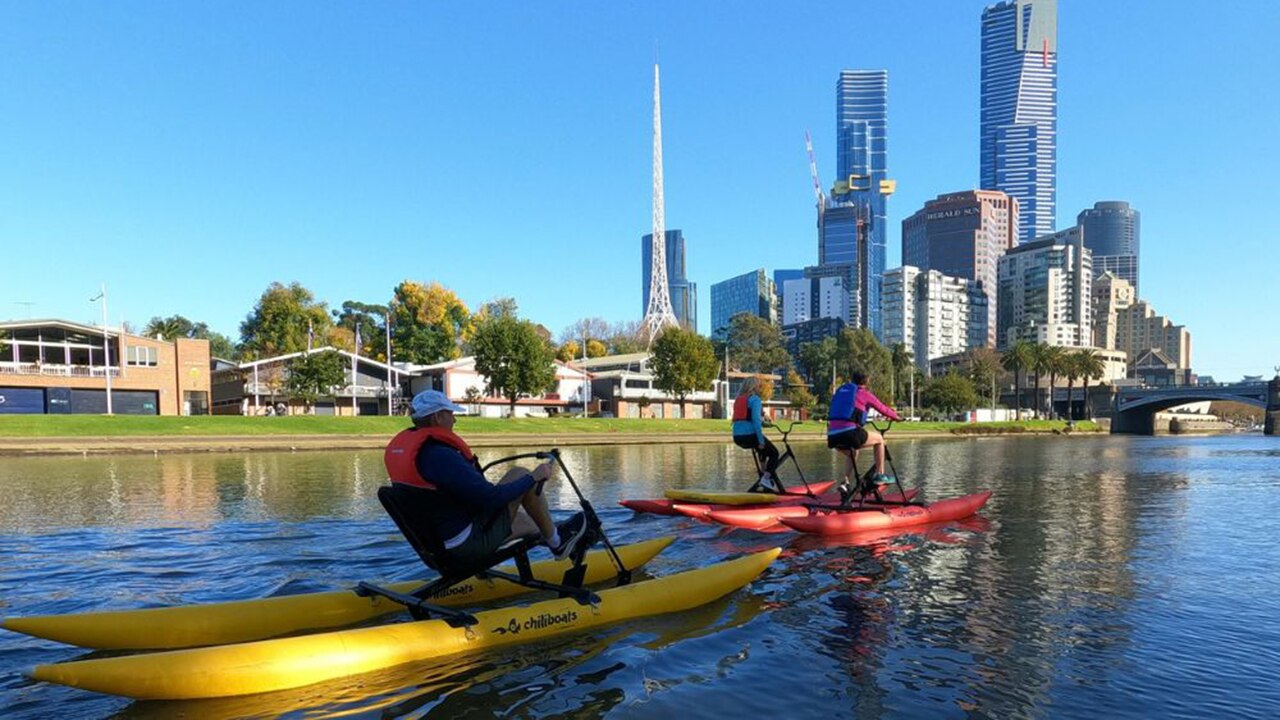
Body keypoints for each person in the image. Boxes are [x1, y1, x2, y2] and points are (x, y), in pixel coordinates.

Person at [384, 390, 587, 565]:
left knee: (529, 523)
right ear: (437, 417)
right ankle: (558, 545)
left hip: (437, 547)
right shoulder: (441, 456)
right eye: (451, 414)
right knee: (521, 474)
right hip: (464, 547)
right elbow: (491, 498)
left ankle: (555, 537)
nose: (454, 419)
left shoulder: (418, 453)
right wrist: (534, 477)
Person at [827, 372, 902, 492]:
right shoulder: (864, 394)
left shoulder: (842, 394)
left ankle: (845, 482)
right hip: (850, 433)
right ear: (866, 382)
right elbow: (882, 408)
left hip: (832, 436)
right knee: (879, 440)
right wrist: (897, 418)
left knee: (853, 452)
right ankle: (880, 475)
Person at [731, 377, 781, 490]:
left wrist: (763, 425)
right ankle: (766, 478)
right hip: (750, 435)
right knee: (774, 454)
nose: (760, 388)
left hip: (737, 437)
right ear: (753, 387)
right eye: (759, 386)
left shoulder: (738, 399)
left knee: (762, 451)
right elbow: (756, 421)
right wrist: (761, 440)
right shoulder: (755, 399)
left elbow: (745, 418)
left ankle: (765, 481)